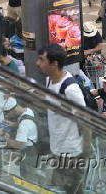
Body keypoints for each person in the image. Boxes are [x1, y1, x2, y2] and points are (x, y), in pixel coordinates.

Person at [36, 44, 86, 194]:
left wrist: (86, 150)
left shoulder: (70, 89)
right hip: (56, 146)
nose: (37, 63)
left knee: (73, 189)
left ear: (54, 64)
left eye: (41, 59)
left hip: (70, 151)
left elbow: (86, 118)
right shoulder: (50, 80)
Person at [0, 97, 38, 184]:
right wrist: (13, 124)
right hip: (32, 148)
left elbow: (17, 145)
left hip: (29, 154)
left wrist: (6, 138)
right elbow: (27, 123)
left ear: (13, 110)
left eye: (7, 113)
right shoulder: (27, 111)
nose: (7, 116)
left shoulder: (24, 125)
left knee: (28, 180)